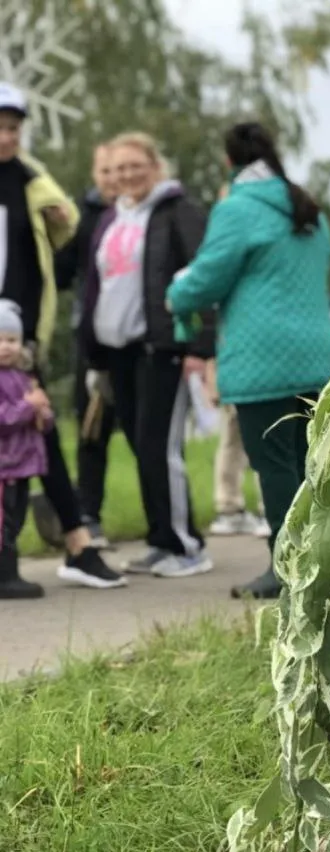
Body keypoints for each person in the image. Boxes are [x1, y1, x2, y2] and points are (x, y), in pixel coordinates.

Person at [166, 121, 330, 600]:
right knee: (308, 464)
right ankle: (318, 567)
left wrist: (176, 294)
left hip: (264, 359)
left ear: (229, 161)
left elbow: (207, 278)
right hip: (317, 355)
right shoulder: (308, 208)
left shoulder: (237, 209)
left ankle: (287, 571)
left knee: (276, 464)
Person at [0, 82, 125, 588]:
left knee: (39, 427)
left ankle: (75, 540)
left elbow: (64, 227)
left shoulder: (30, 179)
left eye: (13, 129)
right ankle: (72, 542)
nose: (5, 137)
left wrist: (58, 218)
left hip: (18, 336)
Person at [81, 132, 216, 578]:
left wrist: (199, 347)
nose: (126, 175)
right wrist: (94, 355)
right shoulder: (111, 218)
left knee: (161, 446)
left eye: (135, 165)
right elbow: (96, 285)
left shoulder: (177, 211)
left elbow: (203, 276)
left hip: (161, 347)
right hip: (118, 352)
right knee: (143, 447)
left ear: (155, 165)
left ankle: (187, 545)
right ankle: (161, 540)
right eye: (118, 168)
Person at [54, 142, 119, 548]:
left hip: (138, 340)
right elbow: (60, 275)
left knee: (147, 435)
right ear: (96, 175)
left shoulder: (147, 215)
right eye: (105, 171)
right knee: (92, 427)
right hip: (92, 338)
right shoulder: (83, 216)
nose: (114, 179)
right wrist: (57, 232)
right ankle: (89, 514)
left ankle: (162, 526)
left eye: (119, 170)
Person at [0, 299, 51, 598]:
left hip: (21, 464)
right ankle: (7, 576)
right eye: (0, 340)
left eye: (12, 340)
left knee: (16, 519)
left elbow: (38, 418)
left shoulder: (22, 378)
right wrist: (26, 407)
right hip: (4, 467)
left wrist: (43, 414)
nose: (6, 346)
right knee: (3, 524)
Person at [206, 357, 270, 538]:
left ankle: (229, 509)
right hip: (255, 373)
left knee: (231, 442)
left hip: (230, 373)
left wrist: (213, 378)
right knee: (263, 440)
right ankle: (269, 509)